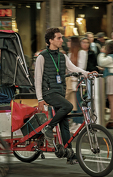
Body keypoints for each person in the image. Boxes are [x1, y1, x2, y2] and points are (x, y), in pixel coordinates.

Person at [35, 28, 97, 164]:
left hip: (60, 91)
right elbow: (38, 79)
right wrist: (40, 99)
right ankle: (49, 127)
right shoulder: (42, 56)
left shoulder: (62, 56)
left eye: (61, 38)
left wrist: (87, 73)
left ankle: (70, 155)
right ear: (50, 40)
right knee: (68, 106)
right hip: (49, 93)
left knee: (64, 124)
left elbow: (73, 68)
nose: (62, 40)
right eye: (59, 38)